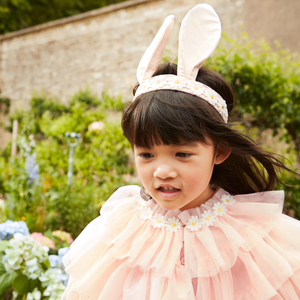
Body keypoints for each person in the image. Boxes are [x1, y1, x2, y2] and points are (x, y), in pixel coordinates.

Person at [62, 4, 300, 300]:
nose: (162, 170)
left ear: (220, 150)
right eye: (146, 154)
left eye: (182, 154)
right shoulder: (119, 232)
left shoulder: (255, 237)